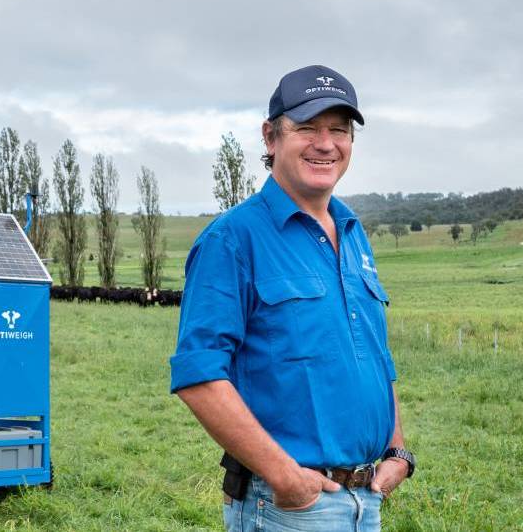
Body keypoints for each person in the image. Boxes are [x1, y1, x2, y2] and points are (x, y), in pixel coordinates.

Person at [169, 65, 415, 532]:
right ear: (270, 137)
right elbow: (199, 375)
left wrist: (398, 452)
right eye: (307, 127)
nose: (326, 144)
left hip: (366, 501)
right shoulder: (233, 240)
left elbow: (375, 357)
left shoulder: (352, 232)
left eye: (339, 130)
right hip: (290, 508)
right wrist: (285, 478)